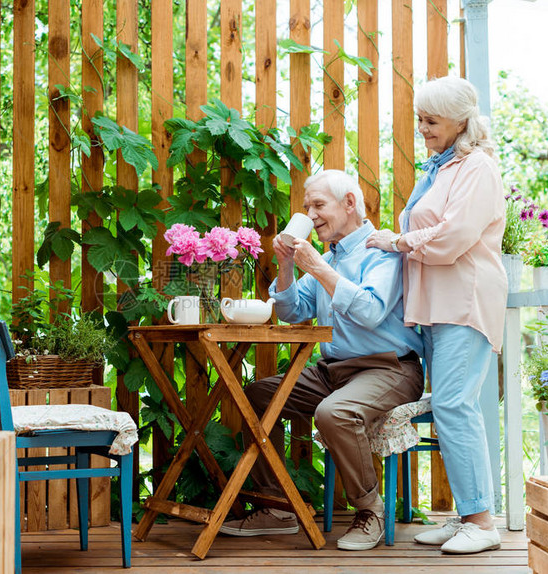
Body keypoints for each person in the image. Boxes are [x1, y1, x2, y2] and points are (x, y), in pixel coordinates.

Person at [219, 170, 425, 551]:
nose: (310, 215)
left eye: (318, 205)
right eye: (305, 207)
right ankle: (277, 507)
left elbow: (369, 311)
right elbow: (292, 311)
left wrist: (315, 266)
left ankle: (371, 511)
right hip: (333, 372)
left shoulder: (382, 251)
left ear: (349, 204)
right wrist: (285, 265)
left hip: (390, 367)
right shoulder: (329, 258)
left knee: (333, 413)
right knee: (254, 396)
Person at [366, 76, 507, 554]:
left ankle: (483, 523)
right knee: (451, 408)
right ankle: (469, 513)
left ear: (461, 122)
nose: (421, 129)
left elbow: (452, 237)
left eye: (431, 121)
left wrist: (398, 241)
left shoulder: (477, 168)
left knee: (453, 406)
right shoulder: (446, 168)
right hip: (441, 307)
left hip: (465, 302)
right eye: (420, 119)